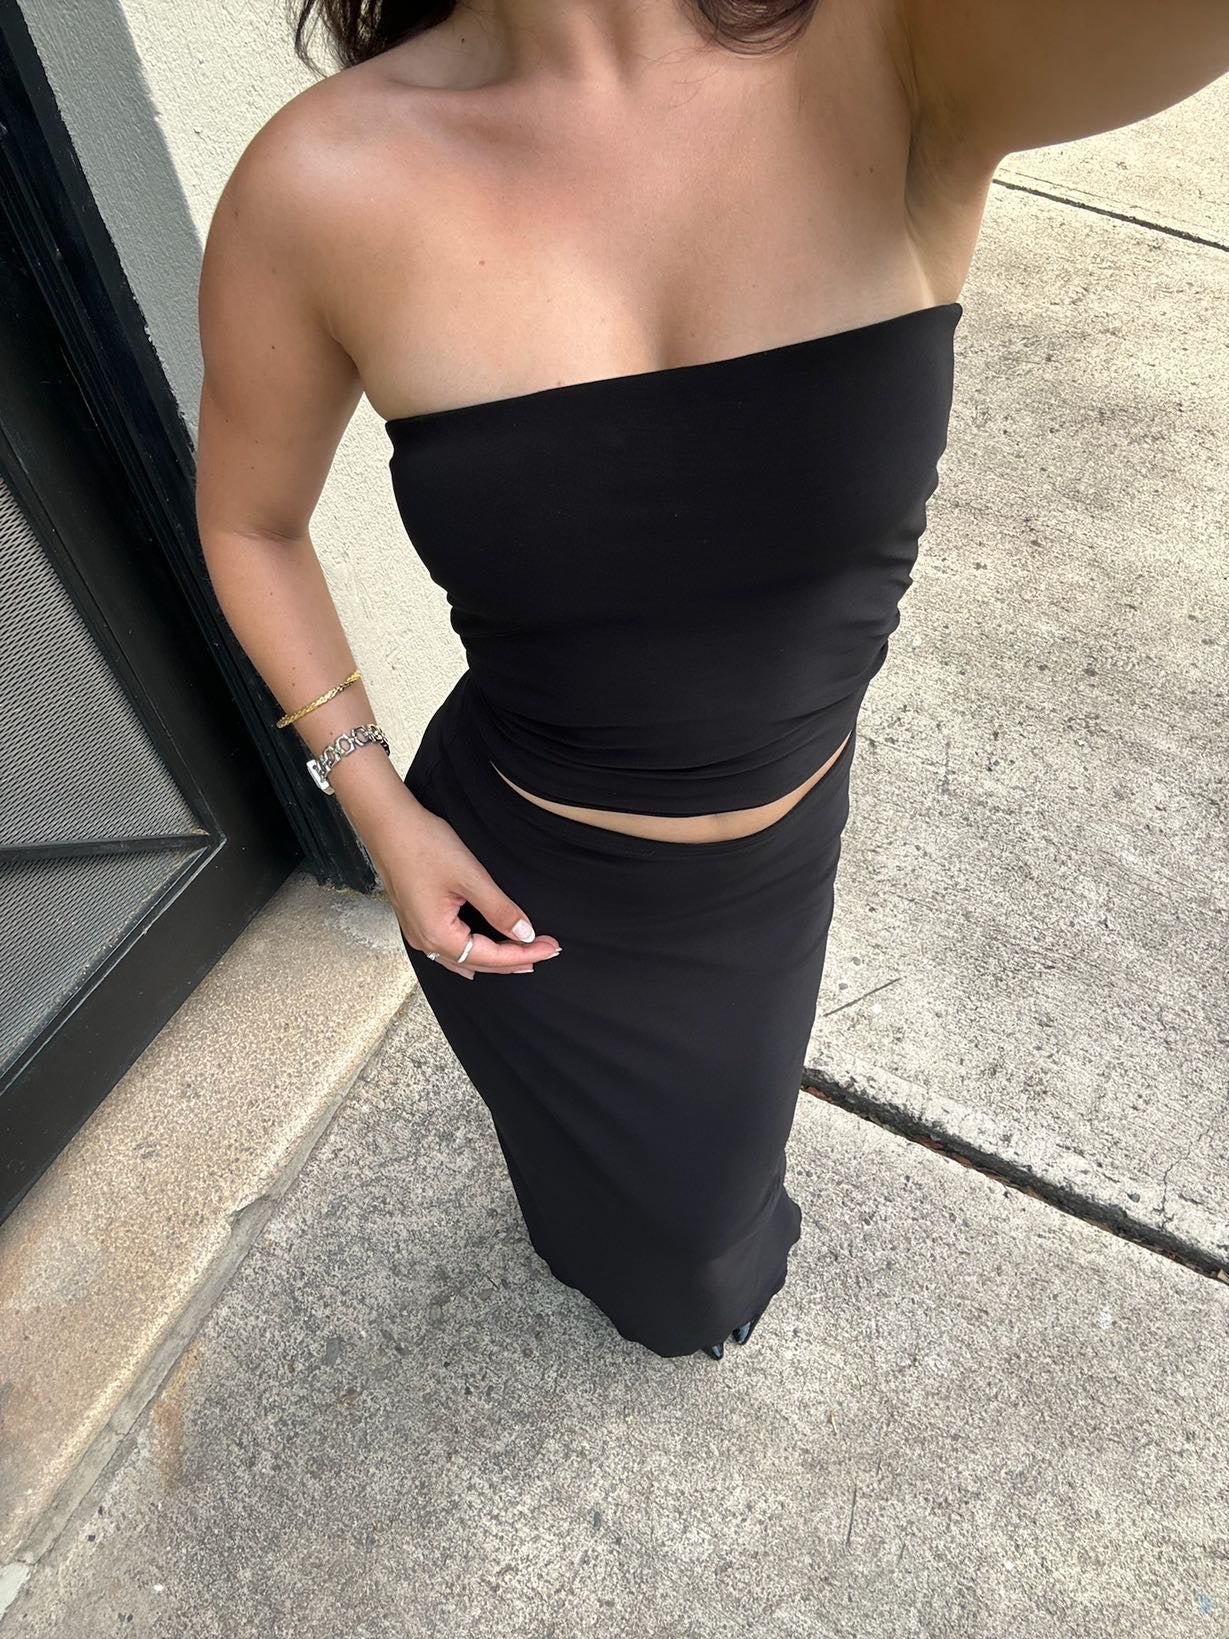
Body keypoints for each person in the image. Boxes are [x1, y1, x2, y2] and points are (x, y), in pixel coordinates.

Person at [194, 0, 1229, 1359]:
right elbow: (250, 524)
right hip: (520, 887)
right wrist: (375, 805)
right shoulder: (320, 181)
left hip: (773, 873)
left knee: (699, 1242)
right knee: (651, 1250)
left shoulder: (902, 49)